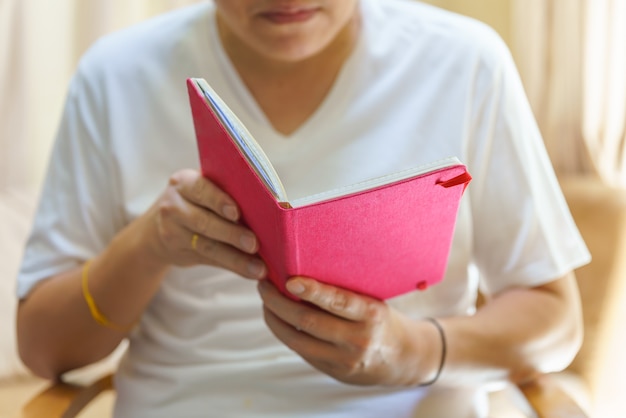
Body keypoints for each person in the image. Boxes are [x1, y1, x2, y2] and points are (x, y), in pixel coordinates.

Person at [16, 0, 591, 417]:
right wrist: (147, 247)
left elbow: (556, 324)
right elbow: (44, 349)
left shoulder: (465, 63)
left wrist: (412, 350)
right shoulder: (115, 75)